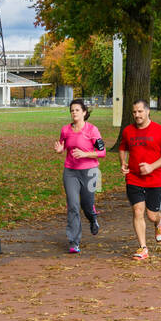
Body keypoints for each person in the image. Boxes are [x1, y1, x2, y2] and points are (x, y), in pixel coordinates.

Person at [119, 100, 161, 260]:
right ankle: (143, 248)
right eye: (134, 112)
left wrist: (152, 166)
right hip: (134, 178)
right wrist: (123, 162)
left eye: (140, 111)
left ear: (148, 111)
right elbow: (123, 148)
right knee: (137, 211)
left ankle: (159, 220)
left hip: (156, 179)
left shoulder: (160, 130)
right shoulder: (128, 131)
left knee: (151, 215)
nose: (137, 115)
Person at [54, 98, 104, 254]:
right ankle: (74, 242)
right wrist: (60, 150)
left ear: (84, 112)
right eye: (72, 110)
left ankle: (92, 218)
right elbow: (62, 146)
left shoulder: (92, 130)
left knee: (87, 205)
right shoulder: (65, 130)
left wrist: (85, 154)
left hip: (90, 171)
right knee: (73, 205)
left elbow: (102, 153)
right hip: (71, 172)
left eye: (77, 110)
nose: (74, 112)